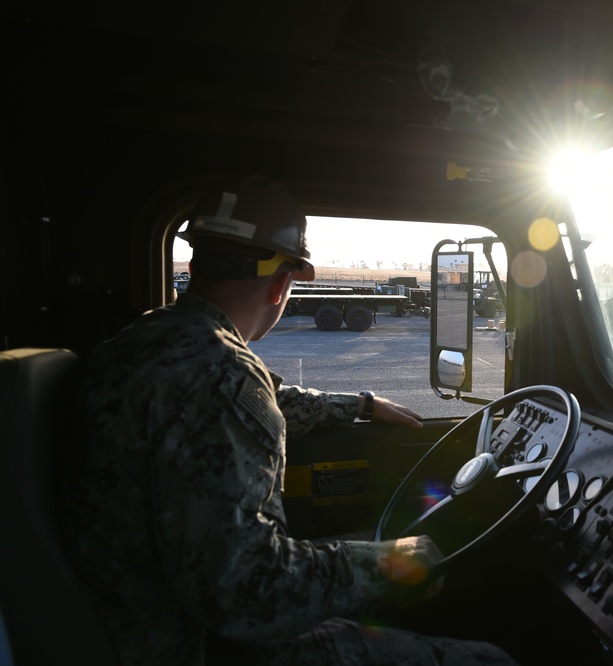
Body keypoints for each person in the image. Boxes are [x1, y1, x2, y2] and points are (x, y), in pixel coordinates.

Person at [63, 176, 518, 665]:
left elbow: (269, 400)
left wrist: (359, 405)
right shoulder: (219, 375)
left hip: (146, 617)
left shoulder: (152, 340)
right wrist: (386, 564)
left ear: (196, 264)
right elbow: (245, 591)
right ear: (283, 283)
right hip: (193, 644)